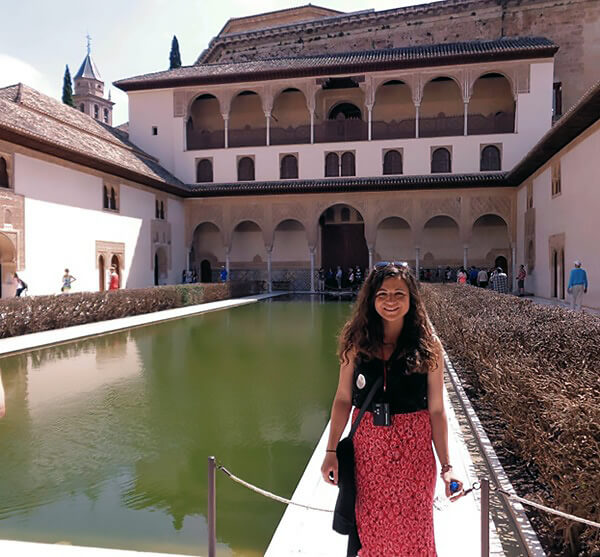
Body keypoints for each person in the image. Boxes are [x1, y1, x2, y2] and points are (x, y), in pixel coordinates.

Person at [321, 262, 463, 556]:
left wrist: (447, 467)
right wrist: (330, 452)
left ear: (412, 299)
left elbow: (436, 410)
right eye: (383, 293)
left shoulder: (428, 346)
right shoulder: (356, 343)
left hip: (415, 460)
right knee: (371, 536)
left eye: (399, 293)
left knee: (415, 536)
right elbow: (343, 399)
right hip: (368, 459)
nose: (391, 301)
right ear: (371, 299)